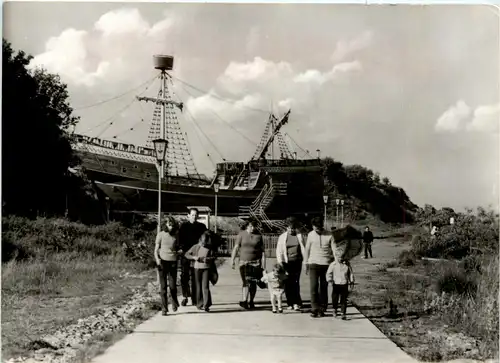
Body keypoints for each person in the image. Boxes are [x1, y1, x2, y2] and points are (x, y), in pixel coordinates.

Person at [231, 219, 266, 310]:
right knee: (246, 282)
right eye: (250, 226)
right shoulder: (241, 234)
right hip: (244, 262)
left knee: (253, 282)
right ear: (247, 226)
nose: (252, 228)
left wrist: (263, 265)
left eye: (254, 226)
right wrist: (232, 260)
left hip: (256, 263)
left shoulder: (259, 236)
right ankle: (244, 301)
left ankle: (251, 301)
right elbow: (236, 247)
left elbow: (263, 252)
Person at [304, 216, 335, 318]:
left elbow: (334, 250)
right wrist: (305, 263)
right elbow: (307, 249)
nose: (316, 229)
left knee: (323, 287)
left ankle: (322, 308)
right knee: (313, 287)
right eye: (315, 227)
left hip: (326, 264)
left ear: (321, 226)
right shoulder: (310, 235)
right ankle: (314, 308)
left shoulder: (330, 235)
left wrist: (335, 263)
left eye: (318, 227)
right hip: (313, 264)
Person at [178, 208, 207, 306]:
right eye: (192, 215)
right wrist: (181, 249)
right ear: (188, 215)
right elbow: (179, 240)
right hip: (186, 255)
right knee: (184, 276)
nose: (194, 217)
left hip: (198, 255)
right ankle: (185, 296)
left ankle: (195, 298)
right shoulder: (183, 226)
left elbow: (206, 239)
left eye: (196, 215)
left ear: (198, 216)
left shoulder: (202, 227)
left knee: (196, 277)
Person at [276, 216, 305, 311]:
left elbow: (303, 248)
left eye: (292, 228)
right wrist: (281, 262)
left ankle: (296, 302)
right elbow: (279, 251)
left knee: (296, 282)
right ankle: (290, 302)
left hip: (297, 261)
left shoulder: (299, 236)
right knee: (288, 282)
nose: (291, 230)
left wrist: (305, 261)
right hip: (287, 263)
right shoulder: (282, 237)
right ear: (286, 228)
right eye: (289, 228)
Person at [154, 216, 181, 316]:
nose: (170, 225)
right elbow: (156, 250)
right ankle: (164, 309)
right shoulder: (160, 234)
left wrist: (179, 252)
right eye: (169, 223)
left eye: (172, 223)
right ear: (165, 224)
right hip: (162, 262)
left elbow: (177, 248)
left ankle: (174, 303)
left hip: (173, 262)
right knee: (163, 287)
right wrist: (157, 259)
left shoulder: (176, 235)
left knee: (173, 286)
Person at [184, 231, 217, 312]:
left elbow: (214, 257)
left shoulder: (210, 248)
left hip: (206, 268)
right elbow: (186, 254)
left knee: (205, 286)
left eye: (205, 242)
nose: (203, 244)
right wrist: (193, 257)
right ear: (200, 240)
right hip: (197, 268)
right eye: (202, 242)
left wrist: (208, 259)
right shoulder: (195, 247)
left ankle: (206, 305)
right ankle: (199, 303)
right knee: (198, 287)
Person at [326, 253, 355, 320]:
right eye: (338, 257)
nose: (340, 259)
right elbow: (329, 273)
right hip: (336, 284)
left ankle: (343, 313)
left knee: (344, 300)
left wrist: (351, 281)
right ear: (335, 257)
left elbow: (350, 273)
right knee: (335, 298)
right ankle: (335, 309)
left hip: (344, 283)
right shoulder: (333, 264)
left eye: (341, 257)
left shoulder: (347, 264)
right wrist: (330, 280)